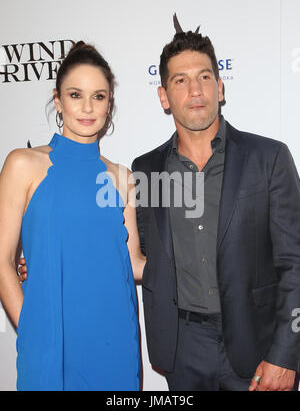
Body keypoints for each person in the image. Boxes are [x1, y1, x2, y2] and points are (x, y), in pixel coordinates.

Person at [130, 26, 300, 391]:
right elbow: (137, 255)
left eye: (205, 77)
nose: (195, 90)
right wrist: (46, 259)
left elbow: (295, 263)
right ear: (163, 96)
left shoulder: (268, 158)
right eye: (180, 80)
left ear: (220, 88)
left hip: (258, 347)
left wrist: (286, 354)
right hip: (181, 350)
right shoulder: (145, 170)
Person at [0, 41, 145, 391]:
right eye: (76, 94)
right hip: (50, 348)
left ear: (110, 104)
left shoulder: (123, 178)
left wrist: (199, 266)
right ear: (58, 100)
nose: (87, 107)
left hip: (117, 344)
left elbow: (135, 263)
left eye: (99, 96)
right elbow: (2, 261)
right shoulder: (24, 164)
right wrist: (32, 328)